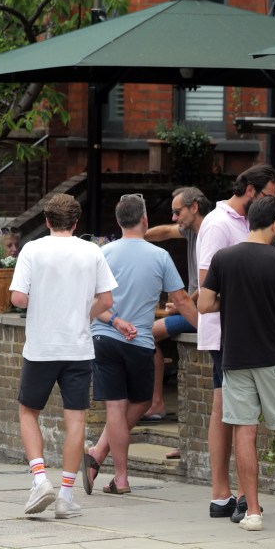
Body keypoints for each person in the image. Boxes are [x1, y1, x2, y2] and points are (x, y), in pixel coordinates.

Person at [198, 196, 275, 531]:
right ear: (274, 225)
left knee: (244, 430)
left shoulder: (224, 258)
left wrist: (235, 298)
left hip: (235, 357)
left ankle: (252, 511)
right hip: (273, 358)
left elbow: (205, 304)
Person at [10, 193, 117, 519]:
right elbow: (107, 300)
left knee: (29, 412)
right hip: (77, 347)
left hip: (42, 346)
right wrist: (85, 313)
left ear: (46, 221)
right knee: (76, 420)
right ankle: (66, 496)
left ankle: (40, 479)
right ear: (75, 222)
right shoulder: (90, 251)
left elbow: (17, 298)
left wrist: (41, 303)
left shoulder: (32, 249)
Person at [82, 194, 194, 495]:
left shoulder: (103, 254)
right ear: (144, 220)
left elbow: (90, 301)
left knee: (117, 408)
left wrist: (114, 320)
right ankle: (109, 465)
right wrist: (206, 327)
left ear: (119, 222)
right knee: (141, 401)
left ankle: (111, 468)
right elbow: (182, 300)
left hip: (104, 337)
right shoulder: (160, 256)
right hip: (140, 341)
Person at [196, 163, 275, 522]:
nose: (272, 207)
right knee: (227, 411)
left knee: (235, 412)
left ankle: (235, 494)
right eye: (268, 198)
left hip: (242, 331)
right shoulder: (218, 224)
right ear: (250, 190)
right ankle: (223, 492)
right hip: (225, 333)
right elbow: (205, 284)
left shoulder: (246, 223)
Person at [142, 186, 209, 425]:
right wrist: (137, 236)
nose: (174, 217)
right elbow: (165, 232)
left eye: (177, 212)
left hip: (204, 315)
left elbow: (208, 284)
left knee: (146, 335)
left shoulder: (211, 235)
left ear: (194, 207)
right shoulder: (191, 230)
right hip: (192, 310)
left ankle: (156, 402)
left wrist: (183, 304)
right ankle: (153, 401)